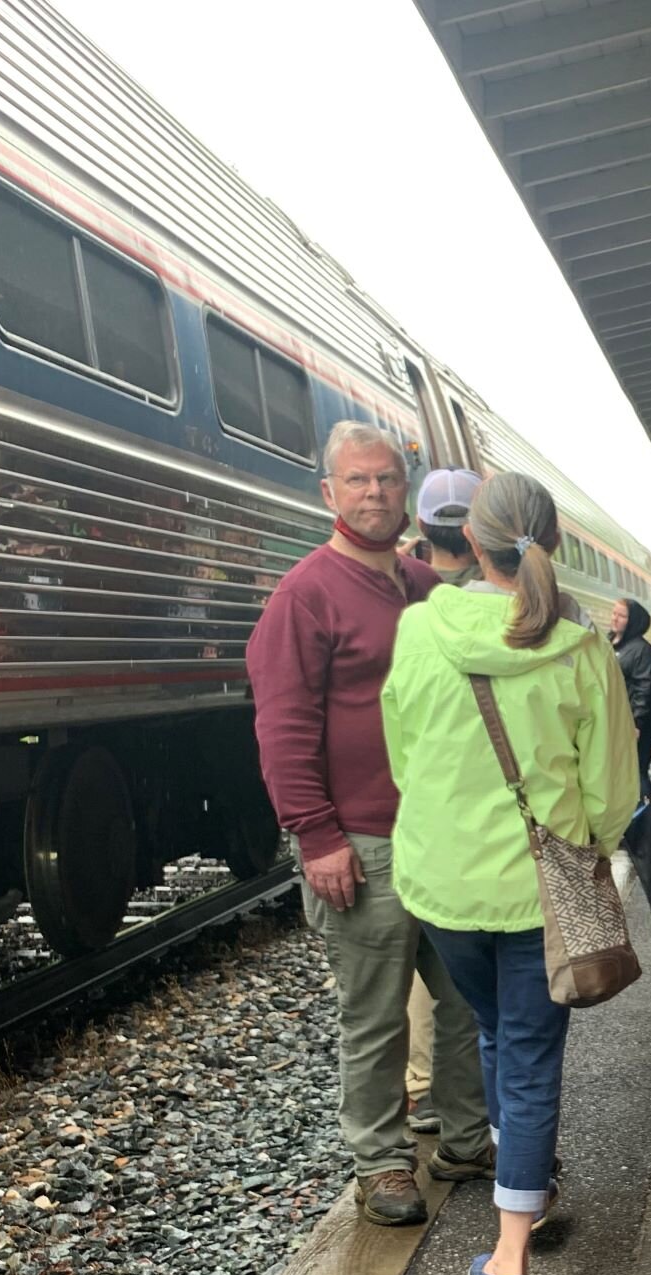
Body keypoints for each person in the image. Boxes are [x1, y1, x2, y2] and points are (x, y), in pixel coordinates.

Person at [380, 471, 637, 1275]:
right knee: (528, 1058)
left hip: (441, 881)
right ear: (550, 544)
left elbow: (404, 754)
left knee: (492, 1035)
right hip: (535, 892)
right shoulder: (581, 646)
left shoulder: (421, 627)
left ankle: (523, 1182)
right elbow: (608, 791)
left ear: (465, 542)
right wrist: (590, 847)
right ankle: (510, 1250)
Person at [244, 421, 491, 1226]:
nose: (374, 494)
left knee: (464, 1002)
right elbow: (282, 726)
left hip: (445, 836)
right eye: (357, 481)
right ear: (329, 493)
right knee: (376, 1013)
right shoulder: (305, 594)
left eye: (386, 480)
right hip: (365, 841)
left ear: (405, 489)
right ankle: (382, 1163)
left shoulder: (428, 589)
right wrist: (316, 836)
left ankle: (462, 1138)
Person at [404, 467, 484, 1134]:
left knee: (422, 982)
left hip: (427, 832)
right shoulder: (538, 611)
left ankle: (430, 1091)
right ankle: (491, 1137)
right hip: (510, 838)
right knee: (500, 1009)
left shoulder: (408, 610)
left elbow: (399, 738)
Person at [609, 597, 651, 778]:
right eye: (614, 613)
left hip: (635, 722)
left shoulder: (642, 650)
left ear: (633, 621)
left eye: (621, 615)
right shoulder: (610, 643)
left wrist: (636, 722)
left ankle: (643, 804)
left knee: (634, 772)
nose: (615, 618)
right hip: (615, 718)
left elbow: (644, 688)